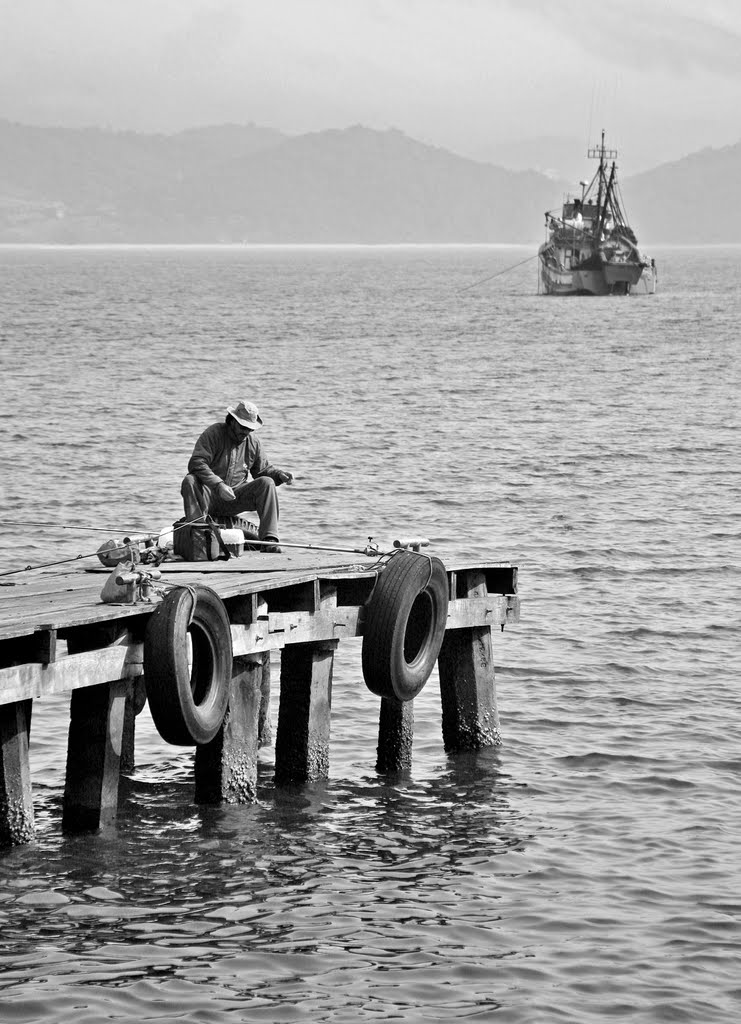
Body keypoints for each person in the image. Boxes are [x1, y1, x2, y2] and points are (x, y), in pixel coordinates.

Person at [181, 400, 293, 551]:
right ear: (232, 421)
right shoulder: (214, 433)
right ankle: (198, 536)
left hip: (234, 497)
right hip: (207, 495)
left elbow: (262, 470)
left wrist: (280, 475)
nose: (245, 432)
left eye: (249, 429)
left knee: (267, 483)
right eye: (242, 427)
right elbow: (196, 462)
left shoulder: (253, 443)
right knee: (189, 480)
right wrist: (218, 484)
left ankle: (269, 540)